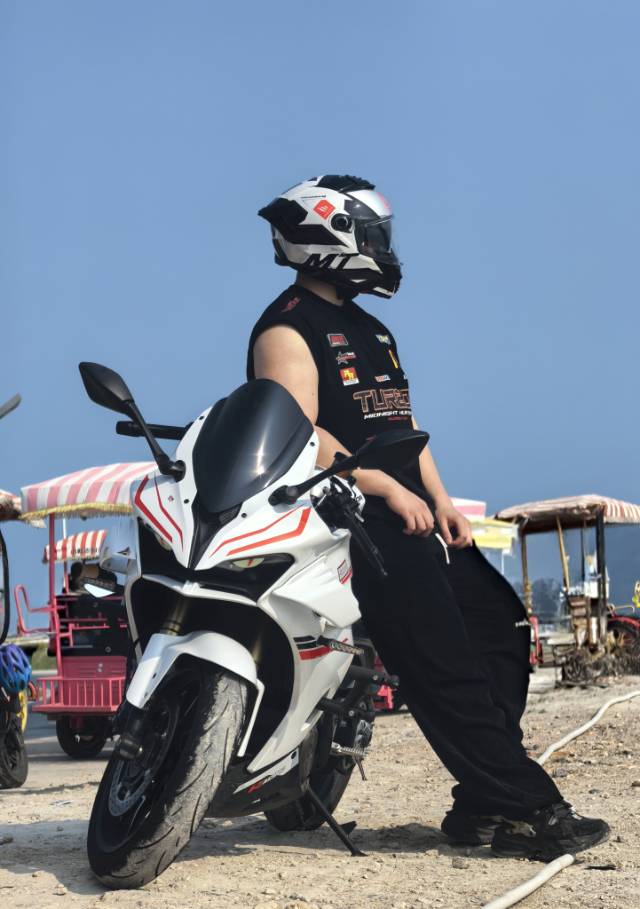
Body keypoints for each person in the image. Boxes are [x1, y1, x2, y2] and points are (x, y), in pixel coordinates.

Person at [246, 174, 608, 861]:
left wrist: (439, 497)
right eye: (372, 234)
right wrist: (385, 487)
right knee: (444, 664)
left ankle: (481, 804)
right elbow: (301, 432)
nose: (383, 247)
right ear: (329, 235)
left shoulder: (374, 329)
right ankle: (528, 810)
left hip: (416, 515)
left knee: (502, 631)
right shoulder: (287, 327)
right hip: (357, 521)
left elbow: (404, 426)